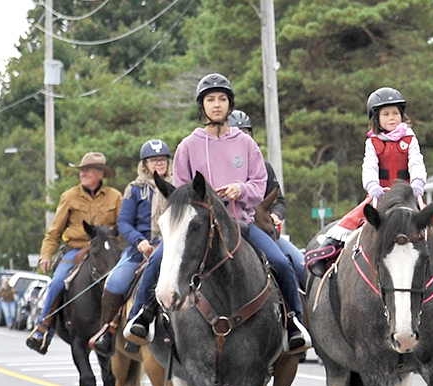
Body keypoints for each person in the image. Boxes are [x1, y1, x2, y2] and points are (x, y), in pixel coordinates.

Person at [123, 73, 311, 352]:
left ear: (229, 105)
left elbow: (260, 185)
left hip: (240, 224)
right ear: (202, 106)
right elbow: (182, 192)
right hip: (198, 226)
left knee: (281, 262)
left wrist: (240, 189)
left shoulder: (246, 144)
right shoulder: (188, 145)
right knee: (158, 260)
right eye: (210, 99)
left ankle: (293, 322)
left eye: (222, 99)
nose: (217, 104)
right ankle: (142, 315)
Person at [309, 87, 433, 281]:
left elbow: (416, 161)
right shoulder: (372, 142)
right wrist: (372, 185)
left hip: (407, 192)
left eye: (395, 113)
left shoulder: (410, 138)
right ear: (376, 118)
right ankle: (329, 248)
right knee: (354, 218)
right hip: (381, 192)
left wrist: (417, 183)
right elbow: (369, 165)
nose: (392, 118)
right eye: (386, 114)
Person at [26, 152, 122, 354]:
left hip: (105, 252)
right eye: (82, 170)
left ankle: (129, 330)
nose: (83, 173)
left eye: (88, 170)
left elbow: (122, 227)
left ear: (100, 173)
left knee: (124, 281)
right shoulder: (69, 197)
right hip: (76, 249)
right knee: (57, 282)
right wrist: (46, 255)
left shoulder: (115, 196)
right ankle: (43, 329)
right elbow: (54, 232)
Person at [89, 139, 173, 356]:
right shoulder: (134, 189)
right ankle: (107, 332)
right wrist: (139, 241)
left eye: (162, 160)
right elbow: (124, 223)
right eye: (154, 160)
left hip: (172, 246)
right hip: (140, 248)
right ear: (145, 164)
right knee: (115, 283)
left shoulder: (179, 186)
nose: (159, 164)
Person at [226, 109, 306, 286]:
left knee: (301, 266)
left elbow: (279, 201)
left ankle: (297, 313)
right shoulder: (221, 166)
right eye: (237, 132)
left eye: (245, 132)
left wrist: (276, 214)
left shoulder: (264, 166)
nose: (242, 137)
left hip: (265, 230)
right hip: (233, 229)